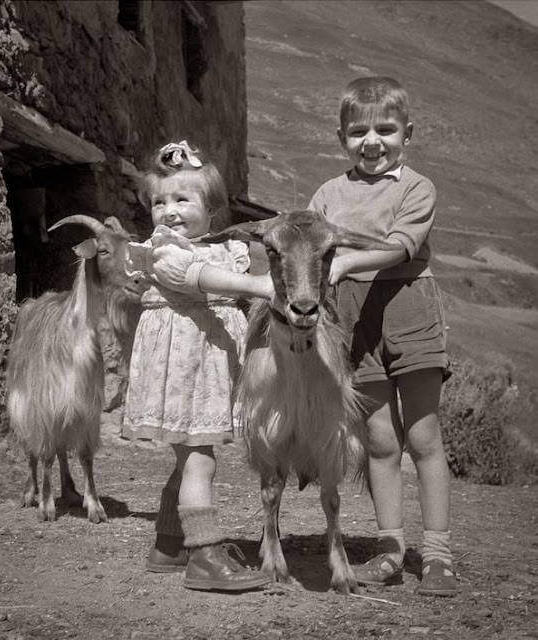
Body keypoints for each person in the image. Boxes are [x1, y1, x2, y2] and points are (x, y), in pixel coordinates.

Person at [307, 77, 457, 596]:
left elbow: (399, 249)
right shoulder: (327, 194)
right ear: (341, 137)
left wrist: (344, 261)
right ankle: (390, 548)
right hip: (352, 320)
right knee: (378, 439)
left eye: (386, 129)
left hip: (408, 306)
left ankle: (437, 554)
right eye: (358, 131)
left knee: (423, 436)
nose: (372, 141)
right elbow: (309, 246)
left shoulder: (417, 188)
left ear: (407, 134)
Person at [123, 140, 272, 592]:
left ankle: (169, 543)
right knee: (199, 460)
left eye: (181, 199)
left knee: (189, 456)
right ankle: (204, 556)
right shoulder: (163, 249)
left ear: (212, 209)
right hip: (185, 367)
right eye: (158, 202)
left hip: (205, 362)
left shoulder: (224, 246)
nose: (168, 211)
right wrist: (255, 286)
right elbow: (195, 277)